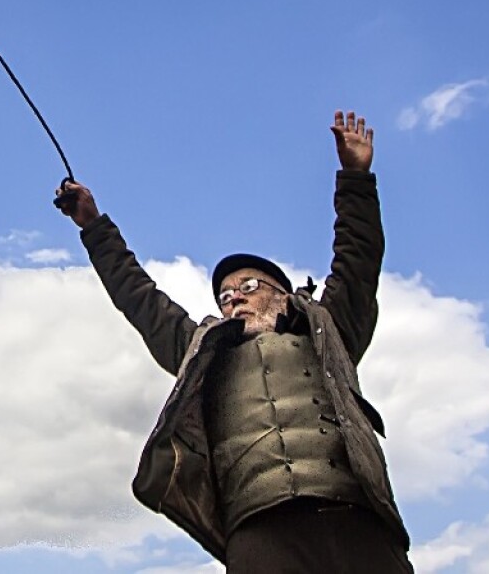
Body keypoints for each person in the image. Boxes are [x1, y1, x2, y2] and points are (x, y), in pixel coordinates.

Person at [56, 111, 412, 573]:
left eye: (247, 288)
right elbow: (139, 298)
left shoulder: (329, 329)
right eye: (225, 297)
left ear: (282, 294)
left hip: (358, 521)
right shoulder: (203, 351)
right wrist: (93, 225)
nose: (233, 301)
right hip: (259, 532)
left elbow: (358, 260)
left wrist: (356, 178)